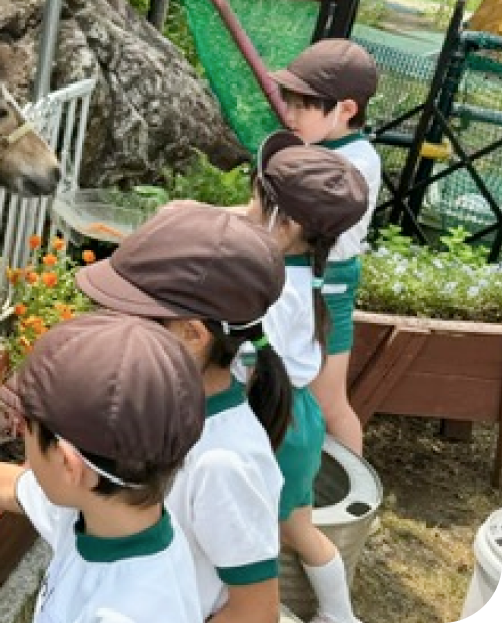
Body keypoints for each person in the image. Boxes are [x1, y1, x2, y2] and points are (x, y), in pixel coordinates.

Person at [0, 312, 207, 623]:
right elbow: (12, 486)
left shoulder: (124, 612)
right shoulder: (106, 511)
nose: (22, 434)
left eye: (26, 427)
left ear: (68, 464)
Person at [75, 202, 291, 623]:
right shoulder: (155, 406)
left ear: (192, 334)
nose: (110, 326)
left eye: (129, 316)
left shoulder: (223, 461)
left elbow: (255, 612)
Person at [241, 130, 370, 623]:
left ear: (288, 225)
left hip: (271, 423)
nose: (247, 210)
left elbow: (251, 364)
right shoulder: (304, 272)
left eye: (256, 201)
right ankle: (339, 615)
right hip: (300, 419)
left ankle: (267, 612)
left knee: (260, 537)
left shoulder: (275, 287)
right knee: (299, 529)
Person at [270, 38, 381, 456]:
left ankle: (354, 485)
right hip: (304, 276)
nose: (290, 115)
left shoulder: (354, 161)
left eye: (303, 106)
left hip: (328, 282)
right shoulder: (315, 146)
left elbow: (285, 219)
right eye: (289, 102)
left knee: (329, 404)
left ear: (346, 109)